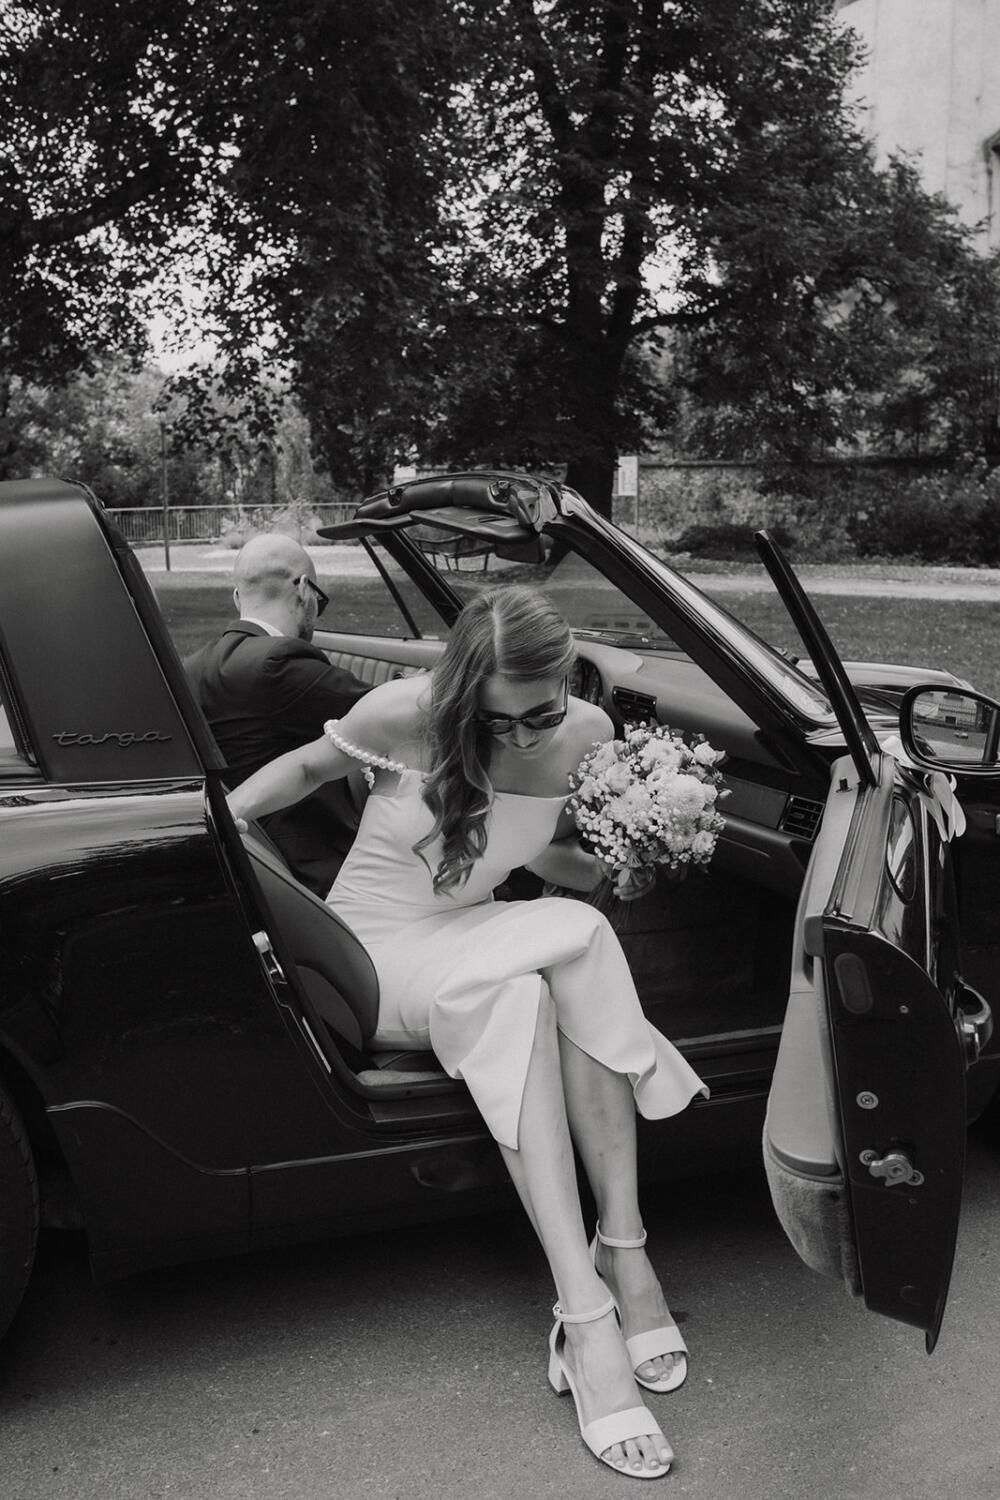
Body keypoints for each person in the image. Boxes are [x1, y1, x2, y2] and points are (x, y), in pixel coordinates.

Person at [228, 585, 707, 1481]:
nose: (521, 738)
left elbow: (536, 853)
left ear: (568, 681)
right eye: (497, 721)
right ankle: (626, 1260)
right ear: (462, 694)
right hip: (374, 954)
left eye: (540, 715)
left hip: (468, 937)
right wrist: (219, 826)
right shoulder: (402, 715)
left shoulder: (591, 736)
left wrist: (622, 863)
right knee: (579, 938)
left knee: (528, 995)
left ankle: (590, 1302)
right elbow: (300, 771)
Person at [184, 532, 369, 895]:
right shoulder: (280, 662)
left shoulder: (192, 667)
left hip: (250, 866)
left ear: (237, 597)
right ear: (304, 590)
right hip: (317, 874)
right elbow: (387, 711)